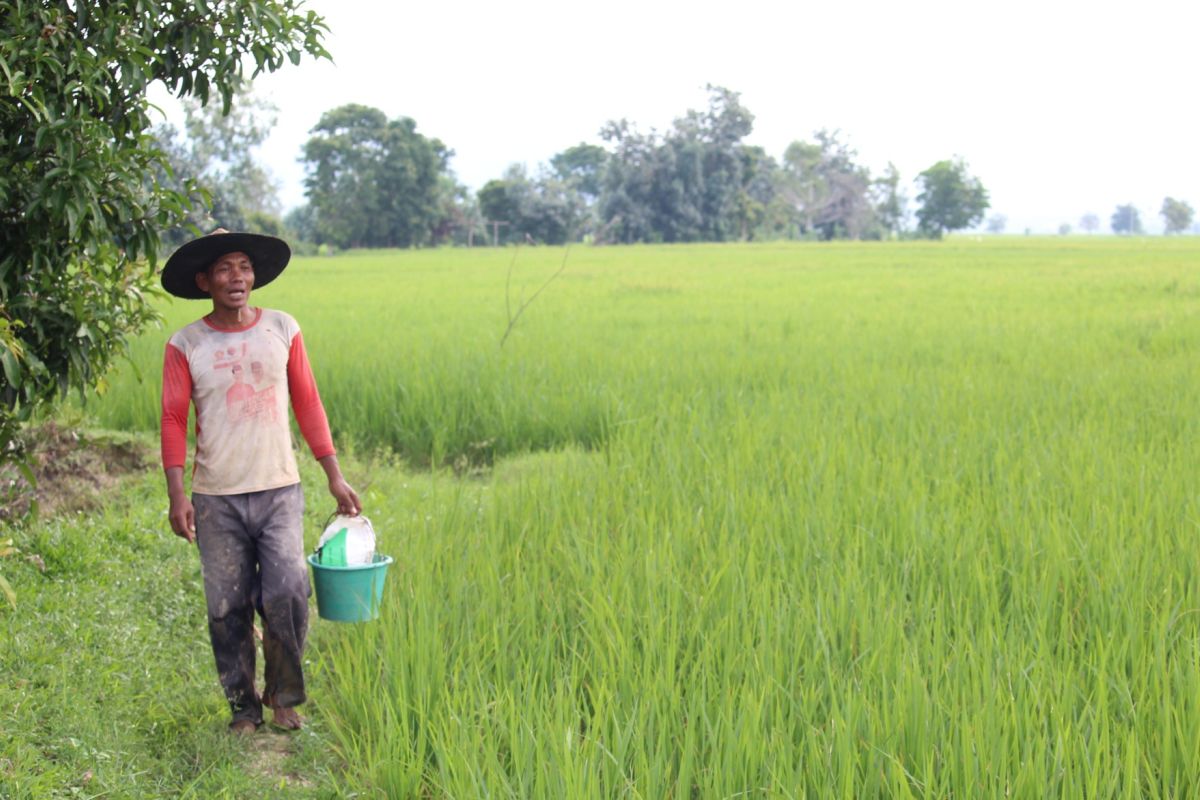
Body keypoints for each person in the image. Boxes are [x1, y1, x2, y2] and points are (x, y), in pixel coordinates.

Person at [159, 228, 360, 735]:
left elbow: (308, 402)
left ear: (255, 276)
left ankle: (285, 694)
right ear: (204, 280)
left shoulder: (281, 329)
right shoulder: (186, 344)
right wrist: (177, 493)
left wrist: (334, 476)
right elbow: (173, 420)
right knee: (226, 606)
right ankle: (243, 707)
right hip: (215, 497)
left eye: (244, 267)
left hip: (278, 489)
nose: (237, 277)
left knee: (289, 592)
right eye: (224, 269)